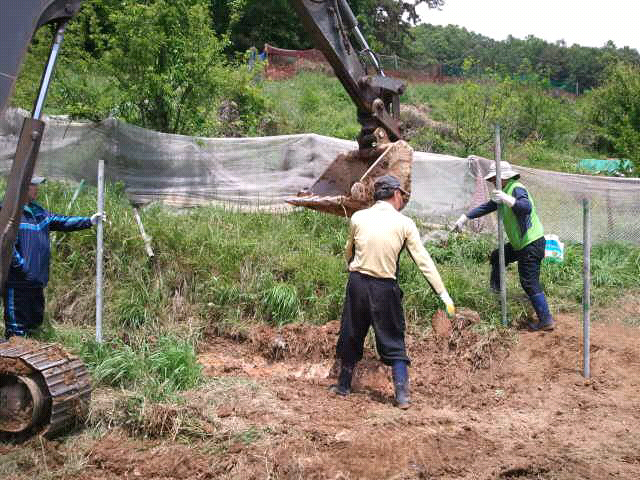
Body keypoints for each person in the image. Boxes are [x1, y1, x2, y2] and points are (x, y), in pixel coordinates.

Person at [330, 175, 456, 409]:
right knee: (393, 336)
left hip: (357, 283)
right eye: (402, 196)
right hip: (384, 288)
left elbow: (349, 252)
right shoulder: (404, 224)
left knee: (351, 333)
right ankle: (401, 395)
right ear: (396, 194)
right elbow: (424, 262)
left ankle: (343, 385)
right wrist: (444, 295)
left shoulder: (359, 217)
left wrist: (353, 267)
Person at [453, 161, 554, 332]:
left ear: (503, 177)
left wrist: (507, 200)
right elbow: (488, 206)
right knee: (497, 256)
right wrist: (465, 217)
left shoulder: (516, 188)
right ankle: (497, 292)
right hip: (520, 244)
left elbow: (525, 207)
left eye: (494, 178)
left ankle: (546, 320)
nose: (492, 182)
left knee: (529, 282)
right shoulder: (504, 192)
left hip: (531, 243)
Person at [3, 176, 103, 338]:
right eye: (34, 185)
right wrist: (23, 268)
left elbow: (61, 221)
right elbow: (7, 246)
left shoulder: (38, 211)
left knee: (34, 325)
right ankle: (12, 362)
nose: (37, 188)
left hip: (37, 281)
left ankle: (32, 361)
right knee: (16, 331)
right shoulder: (8, 212)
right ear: (22, 187)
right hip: (18, 282)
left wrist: (89, 221)